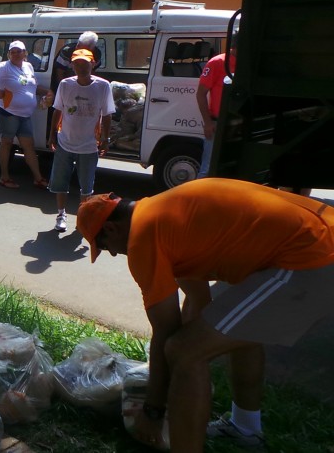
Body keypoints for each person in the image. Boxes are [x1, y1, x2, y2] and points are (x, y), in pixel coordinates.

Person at [77, 179, 334, 452]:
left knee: (186, 350)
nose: (115, 253)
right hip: (317, 234)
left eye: (105, 246)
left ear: (111, 228)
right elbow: (199, 302)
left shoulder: (143, 237)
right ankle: (245, 429)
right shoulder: (164, 215)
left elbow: (167, 333)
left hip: (313, 254)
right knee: (235, 330)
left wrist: (153, 410)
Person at [47, 49, 115, 232]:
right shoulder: (65, 84)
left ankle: (82, 219)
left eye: (85, 63)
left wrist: (105, 138)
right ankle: (61, 214)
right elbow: (58, 110)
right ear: (72, 65)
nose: (81, 67)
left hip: (89, 144)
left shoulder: (102, 86)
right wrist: (52, 134)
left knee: (86, 186)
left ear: (93, 64)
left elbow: (107, 115)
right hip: (65, 141)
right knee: (60, 182)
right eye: (77, 63)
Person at [0, 40, 52, 189]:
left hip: (25, 115)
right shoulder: (4, 66)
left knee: (29, 145)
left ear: (25, 53)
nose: (16, 54)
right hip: (8, 113)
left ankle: (38, 178)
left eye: (19, 51)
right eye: (12, 52)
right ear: (8, 54)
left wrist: (47, 92)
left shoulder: (28, 66)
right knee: (6, 143)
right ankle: (4, 177)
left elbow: (33, 87)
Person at [195, 47, 236, 178]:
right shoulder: (217, 62)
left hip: (236, 124)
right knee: (208, 169)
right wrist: (208, 123)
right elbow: (200, 94)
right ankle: (197, 197)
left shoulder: (248, 64)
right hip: (217, 123)